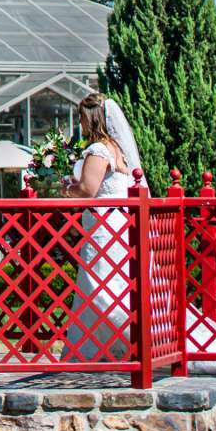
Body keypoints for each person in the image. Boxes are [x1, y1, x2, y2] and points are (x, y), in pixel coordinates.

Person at [59, 91, 140, 364]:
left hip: (104, 227)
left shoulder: (99, 149)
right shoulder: (119, 149)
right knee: (111, 283)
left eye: (82, 118)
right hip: (120, 224)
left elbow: (87, 189)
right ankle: (99, 348)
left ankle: (127, 342)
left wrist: (66, 190)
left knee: (101, 287)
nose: (80, 124)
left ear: (91, 119)